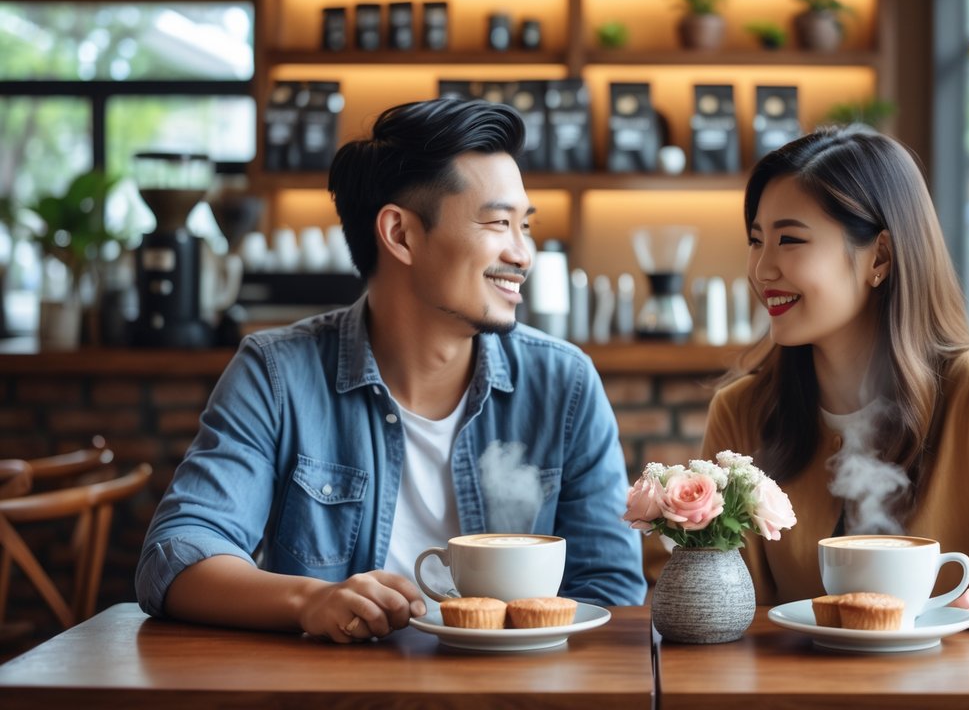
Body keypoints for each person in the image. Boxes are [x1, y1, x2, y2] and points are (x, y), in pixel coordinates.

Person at [137, 98, 646, 643]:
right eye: (499, 223)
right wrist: (310, 599)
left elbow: (609, 586)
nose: (524, 253)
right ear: (400, 234)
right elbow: (177, 556)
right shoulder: (277, 374)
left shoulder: (563, 384)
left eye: (525, 225)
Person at [701, 126, 969, 630]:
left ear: (880, 257)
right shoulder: (743, 410)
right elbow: (713, 590)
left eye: (789, 240)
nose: (762, 269)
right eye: (756, 240)